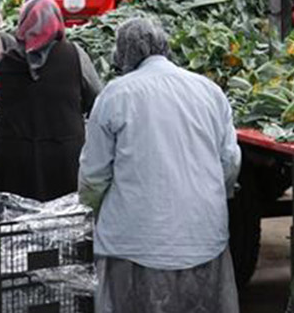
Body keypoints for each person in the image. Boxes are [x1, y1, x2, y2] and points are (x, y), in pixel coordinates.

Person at [78, 17, 241, 313]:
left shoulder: (115, 95)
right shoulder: (210, 91)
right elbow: (229, 162)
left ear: (123, 55)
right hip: (204, 239)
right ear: (164, 47)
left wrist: (91, 209)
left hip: (134, 244)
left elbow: (93, 175)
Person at [0, 0, 103, 201]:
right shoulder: (74, 55)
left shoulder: (2, 62)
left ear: (23, 23)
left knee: (17, 219)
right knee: (64, 217)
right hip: (64, 158)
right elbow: (96, 99)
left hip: (14, 161)